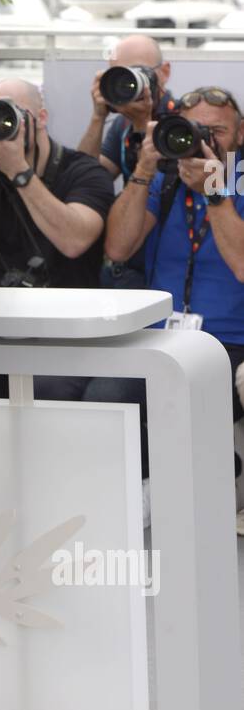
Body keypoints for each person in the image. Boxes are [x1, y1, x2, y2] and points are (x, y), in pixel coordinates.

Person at [104, 86, 244, 526]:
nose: (203, 139)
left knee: (181, 401)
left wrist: (215, 192)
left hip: (229, 342)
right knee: (104, 398)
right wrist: (145, 167)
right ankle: (141, 489)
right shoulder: (164, 182)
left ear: (239, 135)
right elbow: (118, 248)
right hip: (160, 338)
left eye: (216, 130)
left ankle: (181, 489)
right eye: (190, 129)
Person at [0, 77, 114, 403]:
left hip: (67, 333)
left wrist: (19, 172)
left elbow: (74, 240)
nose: (4, 123)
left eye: (13, 113)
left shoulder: (83, 172)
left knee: (50, 391)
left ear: (40, 118)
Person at [77, 33, 177, 290]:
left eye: (139, 71)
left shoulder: (179, 121)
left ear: (164, 73)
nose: (131, 82)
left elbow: (165, 184)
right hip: (125, 256)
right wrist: (98, 117)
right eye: (121, 74)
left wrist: (144, 124)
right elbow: (86, 179)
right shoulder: (122, 123)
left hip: (161, 257)